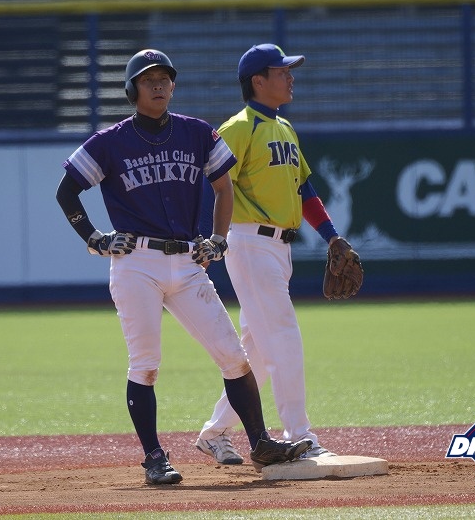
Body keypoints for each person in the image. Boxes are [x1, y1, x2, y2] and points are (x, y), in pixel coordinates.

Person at [55, 48, 312, 485]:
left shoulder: (196, 133)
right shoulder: (110, 141)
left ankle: (260, 443)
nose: (158, 86)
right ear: (132, 89)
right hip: (136, 262)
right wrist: (94, 238)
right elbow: (67, 191)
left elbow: (224, 188)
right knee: (145, 364)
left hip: (188, 262)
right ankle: (154, 457)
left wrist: (218, 237)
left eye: (164, 79)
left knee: (234, 357)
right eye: (148, 79)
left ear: (173, 86)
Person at [194, 44, 343, 465]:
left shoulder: (285, 128)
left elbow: (304, 189)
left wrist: (332, 237)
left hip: (279, 247)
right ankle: (300, 434)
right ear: (258, 80)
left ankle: (215, 432)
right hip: (249, 242)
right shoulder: (238, 128)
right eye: (282, 71)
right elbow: (214, 186)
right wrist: (208, 238)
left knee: (258, 350)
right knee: (283, 335)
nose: (290, 77)